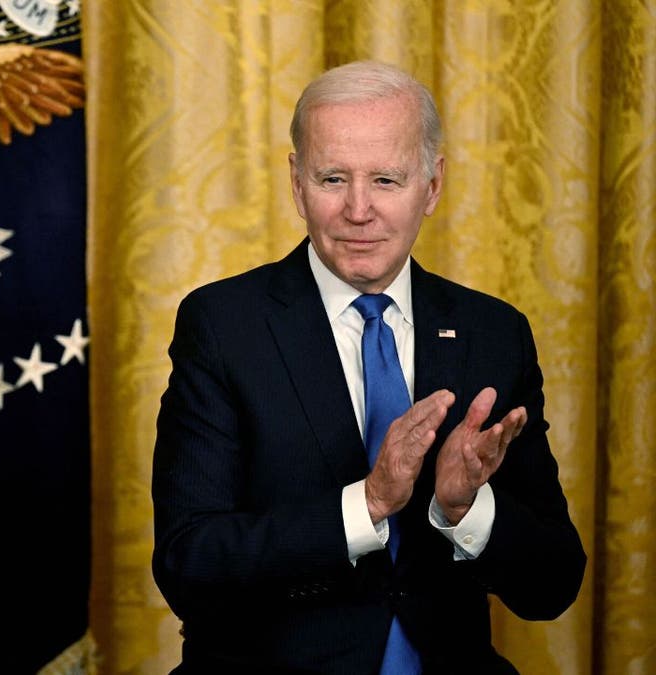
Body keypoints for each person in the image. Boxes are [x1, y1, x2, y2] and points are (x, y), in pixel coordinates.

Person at [151, 61, 585, 673]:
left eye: (386, 179)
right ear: (297, 184)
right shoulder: (223, 326)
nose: (359, 210)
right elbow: (187, 566)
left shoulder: (494, 333)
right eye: (333, 178)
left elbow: (552, 587)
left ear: (431, 187)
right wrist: (368, 504)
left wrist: (466, 509)